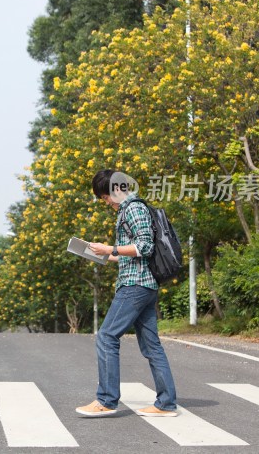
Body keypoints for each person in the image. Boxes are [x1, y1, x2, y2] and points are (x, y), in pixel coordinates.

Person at [75, 169, 178, 417]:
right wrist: (103, 254)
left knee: (107, 336)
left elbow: (145, 246)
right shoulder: (129, 209)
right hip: (142, 283)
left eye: (105, 197)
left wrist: (110, 247)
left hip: (135, 286)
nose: (106, 203)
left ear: (116, 190)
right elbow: (132, 252)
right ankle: (166, 404)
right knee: (152, 346)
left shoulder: (132, 208)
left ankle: (107, 400)